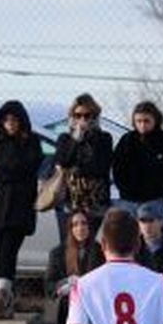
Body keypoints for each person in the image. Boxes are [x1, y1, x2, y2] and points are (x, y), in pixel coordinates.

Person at [0, 100, 42, 319]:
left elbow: (29, 166)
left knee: (9, 249)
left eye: (15, 120)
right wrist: (11, 170)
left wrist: (8, 169)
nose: (10, 124)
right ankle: (4, 296)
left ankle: (1, 292)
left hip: (20, 206)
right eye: (7, 120)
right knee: (0, 253)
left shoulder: (31, 141)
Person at [30, 209, 104, 324]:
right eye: (75, 224)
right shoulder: (57, 253)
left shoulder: (99, 251)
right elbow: (49, 286)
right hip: (67, 303)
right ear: (70, 229)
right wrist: (66, 284)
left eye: (84, 223)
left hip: (92, 302)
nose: (80, 228)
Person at [53, 93, 114, 240]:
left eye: (87, 115)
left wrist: (76, 168)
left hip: (95, 201)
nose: (82, 119)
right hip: (69, 201)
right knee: (68, 244)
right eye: (78, 115)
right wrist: (76, 139)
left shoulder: (104, 138)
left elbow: (101, 167)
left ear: (95, 116)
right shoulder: (65, 139)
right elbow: (62, 162)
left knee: (89, 244)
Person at [111, 99, 163, 215]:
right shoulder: (127, 140)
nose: (142, 125)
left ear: (155, 120)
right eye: (139, 121)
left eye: (146, 121)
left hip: (156, 200)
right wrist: (124, 191)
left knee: (151, 227)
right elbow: (117, 168)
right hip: (129, 200)